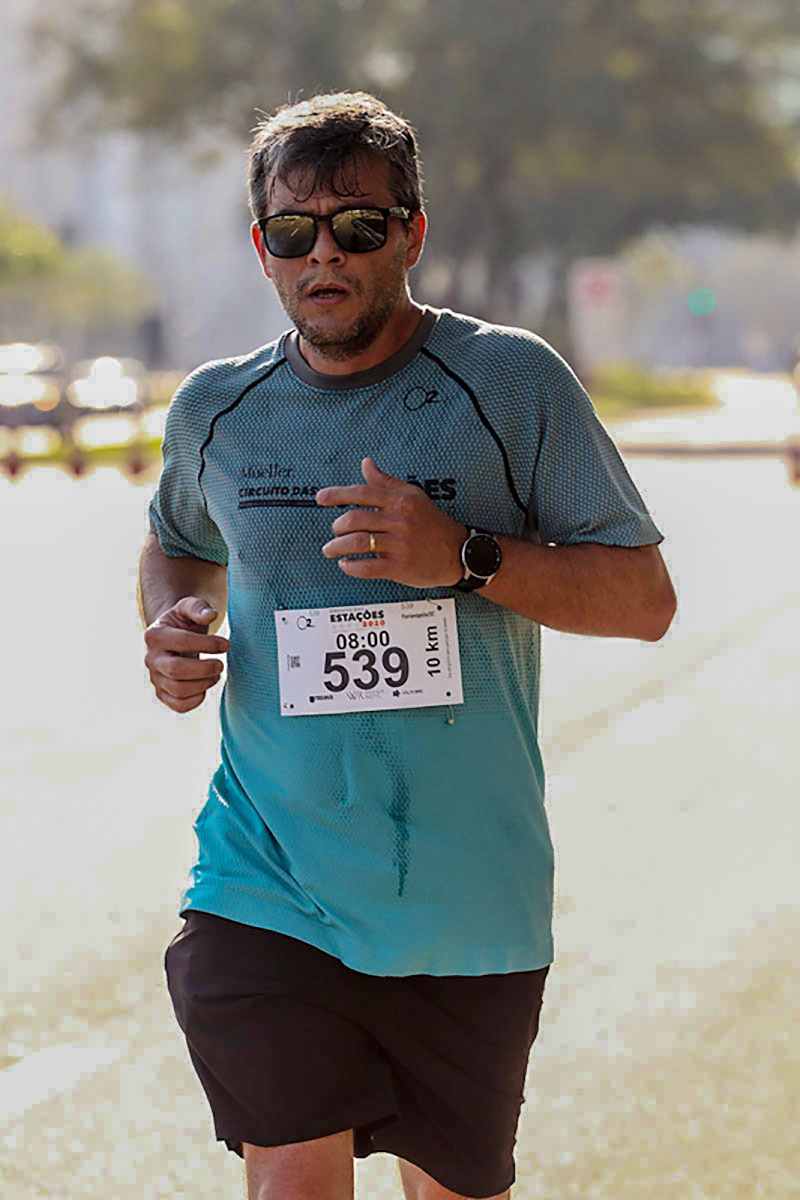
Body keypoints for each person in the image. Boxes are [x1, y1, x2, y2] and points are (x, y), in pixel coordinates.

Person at [139, 91, 677, 1200]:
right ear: (261, 247)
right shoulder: (216, 408)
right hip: (266, 878)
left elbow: (642, 600)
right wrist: (175, 626)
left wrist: (465, 558)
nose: (323, 253)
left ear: (412, 234)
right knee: (290, 1184)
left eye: (357, 225)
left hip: (464, 900)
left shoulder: (511, 383)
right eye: (293, 231)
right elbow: (177, 545)